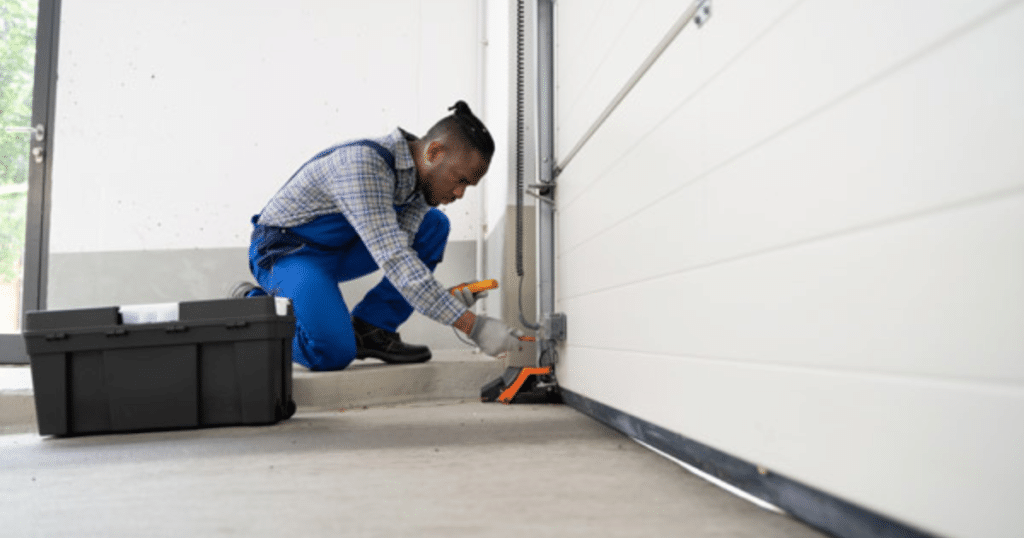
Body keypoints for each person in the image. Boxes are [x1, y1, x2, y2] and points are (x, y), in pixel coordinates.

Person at [235, 101, 524, 371]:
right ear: (434, 153)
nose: (460, 194)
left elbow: (406, 256)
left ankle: (372, 327)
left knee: (433, 224)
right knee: (332, 352)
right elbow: (396, 260)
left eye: (468, 186)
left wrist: (443, 299)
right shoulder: (364, 165)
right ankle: (252, 304)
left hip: (337, 251)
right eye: (460, 180)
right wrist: (474, 326)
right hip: (287, 252)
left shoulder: (421, 183)